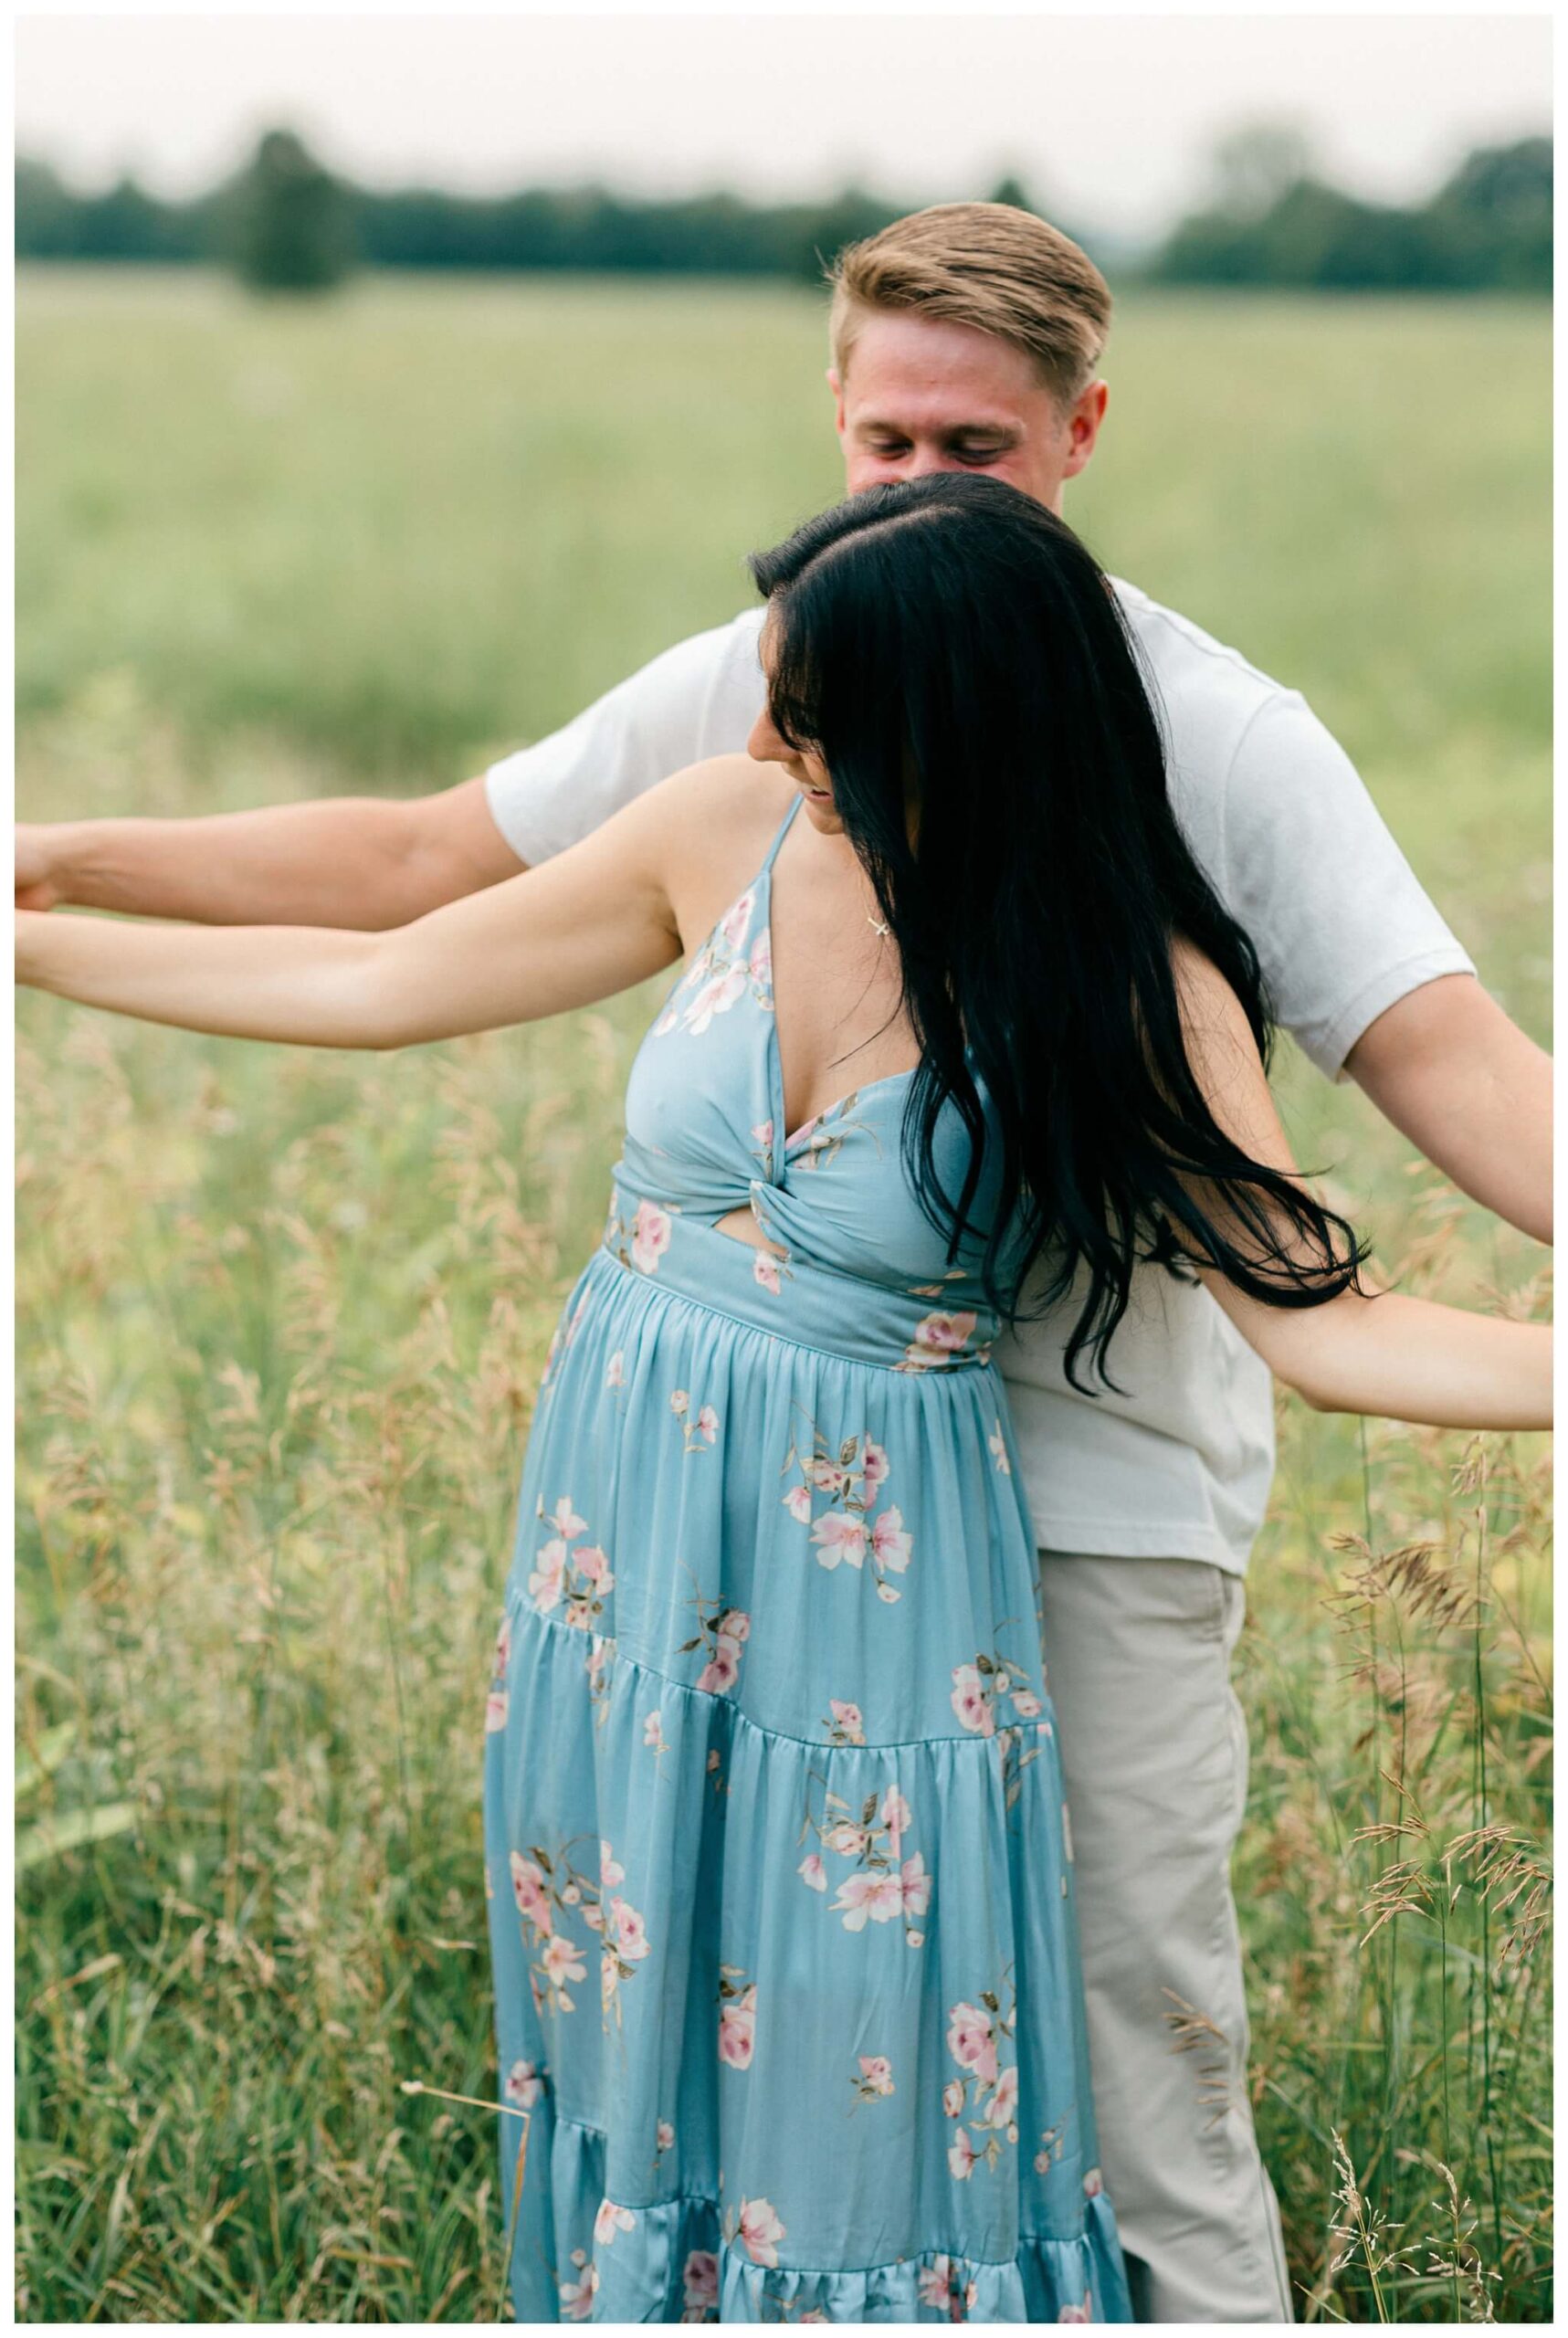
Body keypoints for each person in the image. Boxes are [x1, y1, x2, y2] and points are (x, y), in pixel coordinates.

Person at [14, 205, 1551, 2323]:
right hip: (649, 1535)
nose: (770, 726)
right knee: (657, 2056)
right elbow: (388, 939)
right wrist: (37, 899)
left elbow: (1367, 1244)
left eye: (969, 450)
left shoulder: (1164, 866)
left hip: (1040, 1535)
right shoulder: (765, 744)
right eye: (877, 440)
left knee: (1085, 2089)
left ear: (1077, 442)